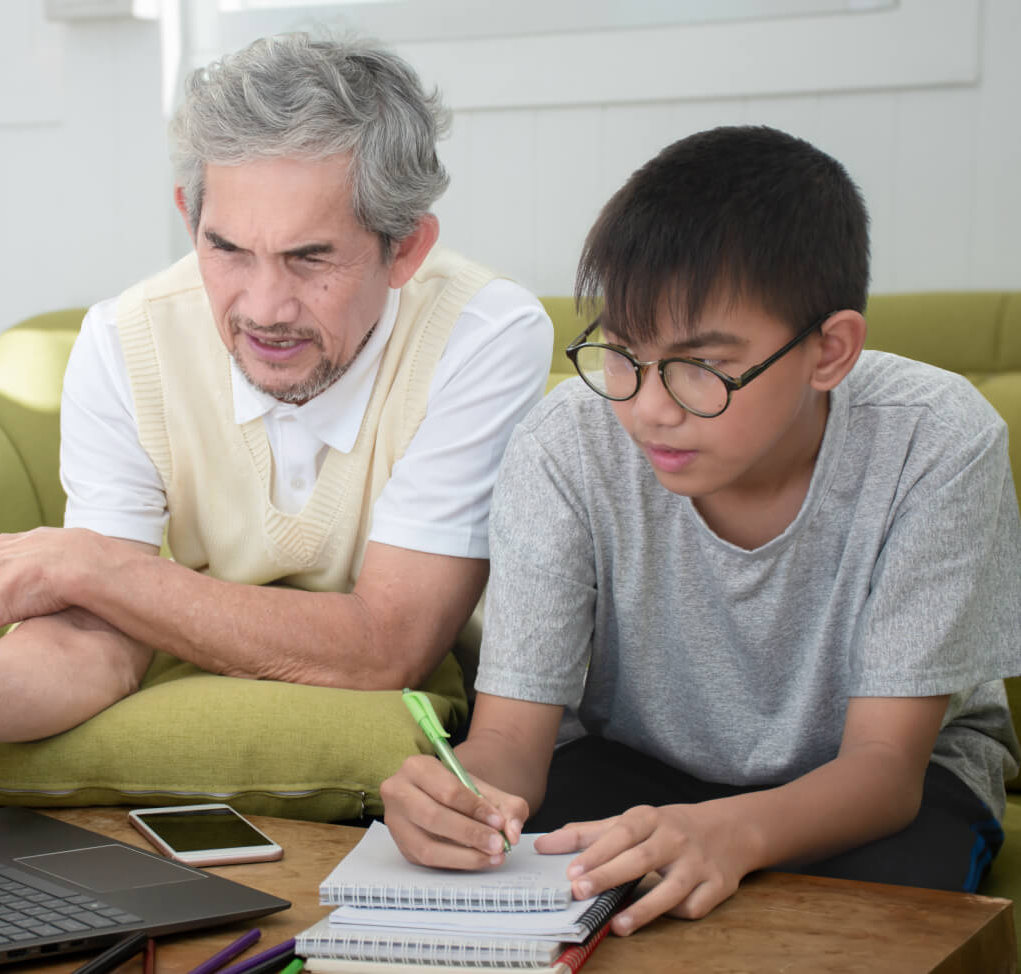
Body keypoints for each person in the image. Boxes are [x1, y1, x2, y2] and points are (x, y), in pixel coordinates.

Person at [379, 125, 1021, 935]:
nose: (649, 408)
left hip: (874, 785)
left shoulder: (936, 440)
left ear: (830, 351)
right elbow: (512, 738)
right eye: (621, 352)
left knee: (881, 917)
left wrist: (732, 833)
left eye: (703, 367)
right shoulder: (568, 440)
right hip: (634, 765)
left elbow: (886, 769)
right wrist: (461, 796)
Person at [0, 34, 552, 746]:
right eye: (226, 250)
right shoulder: (125, 341)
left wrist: (97, 568)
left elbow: (389, 644)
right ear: (189, 221)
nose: (264, 309)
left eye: (310, 258)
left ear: (405, 248)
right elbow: (91, 645)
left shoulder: (482, 335)